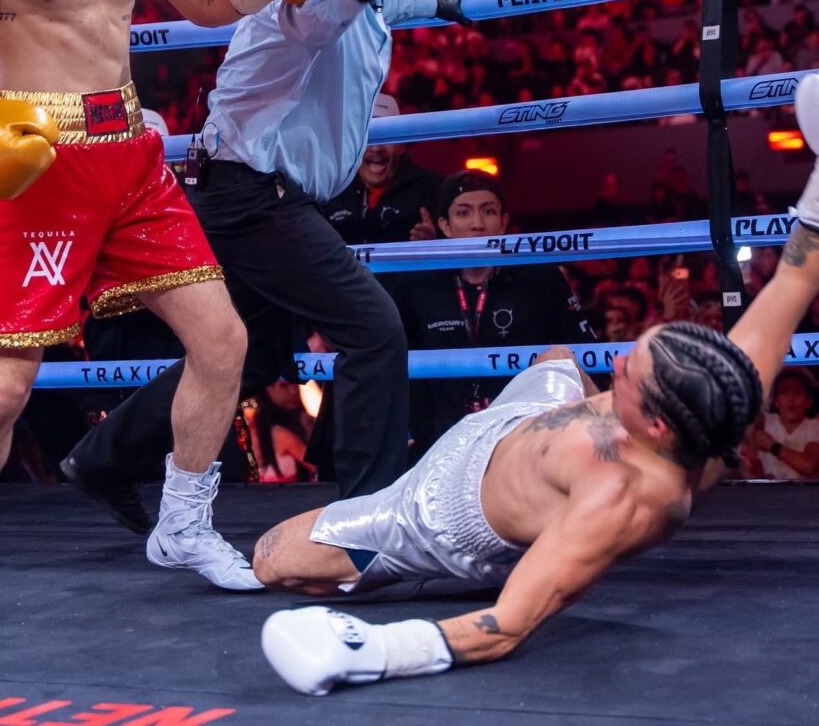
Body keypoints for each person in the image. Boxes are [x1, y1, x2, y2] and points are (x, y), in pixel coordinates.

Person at [253, 73, 819, 696]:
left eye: (633, 372)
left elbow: (505, 627)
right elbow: (795, 280)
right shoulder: (721, 390)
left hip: (442, 511)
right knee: (557, 358)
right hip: (518, 423)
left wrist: (375, 650)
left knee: (273, 559)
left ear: (658, 425)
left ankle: (435, 568)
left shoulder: (622, 497)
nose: (619, 365)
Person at [0, 0, 335, 590]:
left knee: (222, 340)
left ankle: (182, 528)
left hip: (131, 155)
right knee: (2, 390)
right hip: (38, 163)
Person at [60, 0, 472, 530]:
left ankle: (104, 458)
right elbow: (321, 15)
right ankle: (365, 518)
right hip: (255, 196)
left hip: (254, 192)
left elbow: (376, 2)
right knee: (374, 330)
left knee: (248, 352)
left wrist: (435, 1)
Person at [393, 169, 595, 457]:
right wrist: (409, 429)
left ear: (503, 222)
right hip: (438, 445)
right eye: (463, 213)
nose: (477, 224)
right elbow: (396, 366)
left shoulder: (540, 277)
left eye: (488, 211)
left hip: (524, 443)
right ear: (445, 225)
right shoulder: (416, 284)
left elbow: (586, 353)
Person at [321, 92, 442, 247]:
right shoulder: (330, 192)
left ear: (402, 145)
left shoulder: (431, 188)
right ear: (352, 145)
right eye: (368, 137)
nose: (376, 148)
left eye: (386, 136)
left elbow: (457, 247)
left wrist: (434, 244)